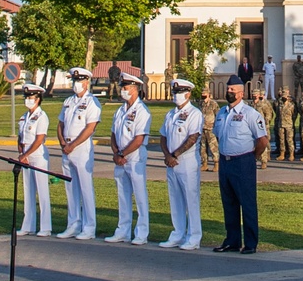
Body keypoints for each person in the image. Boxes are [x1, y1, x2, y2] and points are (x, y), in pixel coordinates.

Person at [213, 78, 269, 254]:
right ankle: (232, 240)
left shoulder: (250, 114)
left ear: (241, 93)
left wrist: (254, 156)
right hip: (225, 161)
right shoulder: (222, 112)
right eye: (228, 89)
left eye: (232, 90)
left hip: (243, 162)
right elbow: (217, 135)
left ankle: (251, 243)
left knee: (247, 203)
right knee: (229, 203)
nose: (229, 92)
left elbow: (262, 140)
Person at [105, 72, 151, 244]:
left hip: (135, 157)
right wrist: (116, 152)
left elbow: (139, 138)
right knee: (122, 195)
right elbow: (113, 134)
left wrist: (123, 153)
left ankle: (141, 233)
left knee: (139, 196)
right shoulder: (119, 111)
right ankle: (122, 230)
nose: (121, 90)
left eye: (125, 87)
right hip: (120, 158)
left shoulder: (142, 111)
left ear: (134, 89)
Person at [57, 66, 101, 239]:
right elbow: (61, 123)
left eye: (80, 81)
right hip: (66, 147)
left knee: (85, 188)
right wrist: (62, 142)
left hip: (81, 148)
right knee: (70, 187)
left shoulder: (92, 102)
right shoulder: (68, 101)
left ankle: (89, 226)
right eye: (74, 81)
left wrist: (73, 144)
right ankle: (73, 224)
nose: (77, 84)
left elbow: (90, 128)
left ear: (87, 82)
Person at [159, 77, 203, 250]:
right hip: (171, 162)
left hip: (186, 162)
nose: (176, 95)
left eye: (179, 93)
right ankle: (177, 233)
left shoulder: (194, 113)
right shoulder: (170, 114)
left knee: (191, 199)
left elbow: (193, 138)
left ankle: (194, 236)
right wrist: (167, 155)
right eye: (174, 92)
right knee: (175, 199)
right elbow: (163, 136)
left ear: (188, 94)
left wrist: (175, 155)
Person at [17, 83, 52, 236]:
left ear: (38, 99)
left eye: (30, 97)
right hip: (25, 156)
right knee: (28, 191)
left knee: (42, 192)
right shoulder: (24, 116)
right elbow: (21, 138)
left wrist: (25, 155)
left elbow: (39, 140)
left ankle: (45, 227)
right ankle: (28, 225)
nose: (28, 100)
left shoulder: (41, 116)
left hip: (38, 156)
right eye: (26, 97)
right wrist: (22, 153)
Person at [251, 87, 275, 168]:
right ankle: (253, 159)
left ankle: (264, 161)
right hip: (252, 127)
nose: (254, 96)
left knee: (263, 143)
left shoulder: (263, 104)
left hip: (261, 126)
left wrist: (266, 122)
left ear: (259, 95)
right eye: (253, 94)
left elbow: (268, 114)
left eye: (256, 94)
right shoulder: (251, 104)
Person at [200, 87, 219, 170]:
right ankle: (204, 164)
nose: (203, 95)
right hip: (202, 128)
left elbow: (218, 115)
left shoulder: (213, 104)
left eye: (205, 94)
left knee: (213, 147)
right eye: (202, 94)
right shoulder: (201, 103)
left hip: (211, 129)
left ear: (209, 94)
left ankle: (216, 163)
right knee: (202, 147)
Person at [275, 86, 296, 160]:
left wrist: (291, 121)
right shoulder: (280, 105)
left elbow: (294, 115)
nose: (284, 98)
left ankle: (291, 154)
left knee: (289, 140)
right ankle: (282, 154)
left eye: (285, 97)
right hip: (281, 124)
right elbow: (277, 114)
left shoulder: (291, 106)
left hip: (289, 125)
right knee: (282, 140)